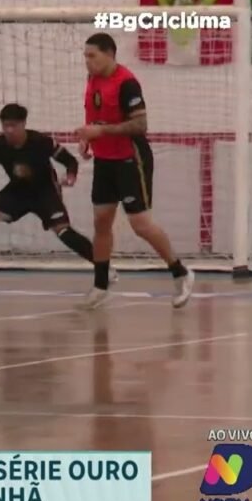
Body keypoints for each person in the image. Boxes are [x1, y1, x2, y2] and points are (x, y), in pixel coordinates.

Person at [75, 33, 194, 309]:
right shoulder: (93, 79)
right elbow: (95, 114)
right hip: (104, 161)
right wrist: (87, 138)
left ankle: (181, 272)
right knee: (101, 222)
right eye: (85, 56)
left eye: (92, 56)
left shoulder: (126, 83)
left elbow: (140, 126)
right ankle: (101, 285)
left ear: (109, 54)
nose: (87, 61)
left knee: (140, 225)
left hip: (130, 159)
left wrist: (100, 131)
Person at [0, 103, 111, 279]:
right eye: (5, 125)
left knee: (64, 232)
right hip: (17, 193)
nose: (9, 130)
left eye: (13, 126)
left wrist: (71, 177)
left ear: (24, 124)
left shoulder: (41, 142)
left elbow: (71, 161)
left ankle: (104, 270)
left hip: (45, 193)